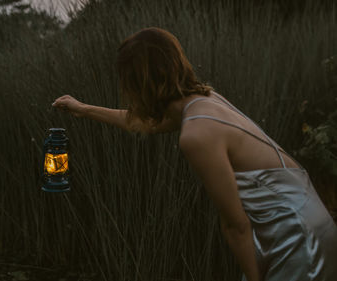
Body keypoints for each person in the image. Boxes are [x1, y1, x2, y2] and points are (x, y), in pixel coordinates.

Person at [51, 27, 337, 281]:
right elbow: (146, 123)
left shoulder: (196, 135)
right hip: (311, 221)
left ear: (139, 83)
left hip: (298, 239)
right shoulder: (205, 100)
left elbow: (235, 226)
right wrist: (84, 109)